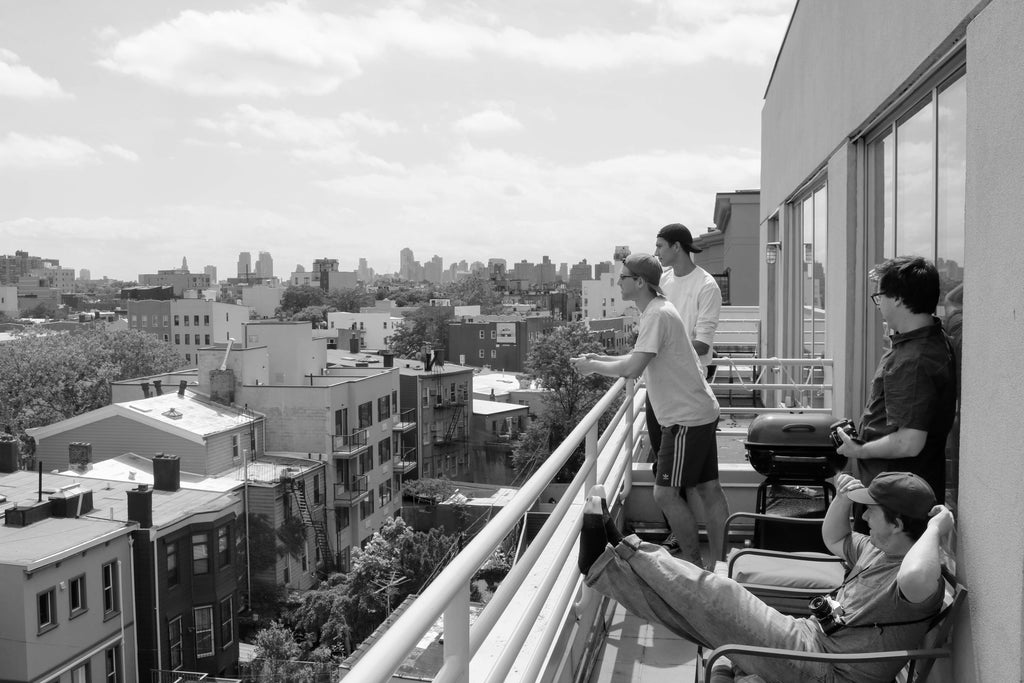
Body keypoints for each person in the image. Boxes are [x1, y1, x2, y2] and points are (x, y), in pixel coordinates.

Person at [578, 471, 954, 683]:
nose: (865, 518)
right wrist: (844, 497)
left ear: (900, 523)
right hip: (808, 641)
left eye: (872, 512)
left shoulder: (916, 579)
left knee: (721, 596)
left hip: (826, 670)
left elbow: (920, 570)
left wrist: (938, 525)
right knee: (693, 616)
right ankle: (611, 561)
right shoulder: (881, 548)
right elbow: (834, 537)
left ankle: (620, 553)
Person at [571, 253, 729, 567]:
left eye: (624, 277)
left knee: (665, 494)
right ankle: (721, 564)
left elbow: (633, 367)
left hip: (684, 418)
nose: (618, 282)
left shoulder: (656, 314)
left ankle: (695, 566)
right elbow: (639, 357)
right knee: (709, 488)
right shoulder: (658, 310)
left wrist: (592, 368)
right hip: (697, 410)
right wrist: (598, 361)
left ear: (640, 282)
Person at [835, 256, 957, 528]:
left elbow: (909, 442)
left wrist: (859, 450)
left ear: (899, 299)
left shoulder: (913, 360)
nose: (879, 305)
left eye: (880, 296)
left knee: (875, 569)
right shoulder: (935, 339)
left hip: (892, 505)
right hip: (902, 493)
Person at [650, 222, 723, 553]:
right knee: (697, 482)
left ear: (677, 247)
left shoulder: (706, 286)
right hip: (664, 388)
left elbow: (704, 345)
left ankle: (701, 564)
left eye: (661, 246)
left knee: (672, 486)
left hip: (688, 390)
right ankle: (706, 557)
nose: (657, 253)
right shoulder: (663, 281)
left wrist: (654, 351)